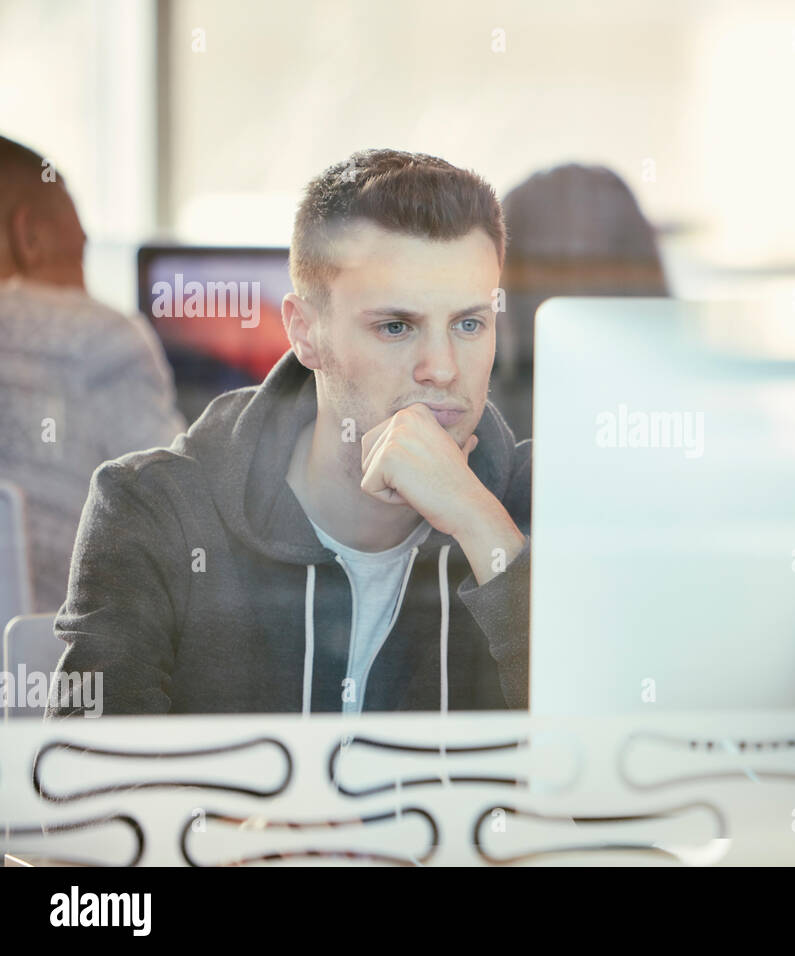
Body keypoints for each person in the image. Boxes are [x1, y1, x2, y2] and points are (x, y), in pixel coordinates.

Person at [47, 148, 529, 716]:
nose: (442, 368)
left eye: (469, 324)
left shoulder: (536, 503)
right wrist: (241, 812)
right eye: (396, 327)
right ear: (306, 334)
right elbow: (86, 783)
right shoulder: (154, 510)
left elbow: (615, 789)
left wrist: (484, 527)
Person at [0, 134, 187, 613]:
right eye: (78, 251)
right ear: (28, 236)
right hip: (48, 672)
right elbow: (181, 512)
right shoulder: (102, 337)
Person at [492, 163, 669, 439]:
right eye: (549, 266)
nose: (573, 284)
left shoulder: (680, 403)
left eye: (594, 267)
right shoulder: (471, 409)